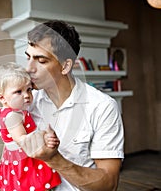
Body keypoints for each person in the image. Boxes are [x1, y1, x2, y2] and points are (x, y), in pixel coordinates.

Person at [18, 20, 125, 191]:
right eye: (28, 57)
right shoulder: (26, 102)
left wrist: (54, 159)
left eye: (41, 60)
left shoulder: (102, 107)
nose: (29, 68)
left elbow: (109, 184)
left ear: (65, 66)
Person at [0, 62, 61, 191]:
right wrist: (45, 136)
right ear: (2, 98)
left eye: (29, 89)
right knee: (32, 185)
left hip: (17, 157)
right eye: (18, 92)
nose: (27, 95)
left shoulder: (15, 111)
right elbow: (23, 140)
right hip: (23, 160)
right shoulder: (12, 116)